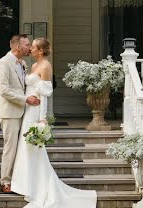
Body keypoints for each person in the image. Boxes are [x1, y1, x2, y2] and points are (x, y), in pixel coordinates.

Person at [10, 38, 97, 208]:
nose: (31, 49)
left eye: (33, 47)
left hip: (36, 111)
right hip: (27, 109)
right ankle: (26, 184)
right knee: (26, 147)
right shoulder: (33, 66)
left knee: (35, 148)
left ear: (41, 51)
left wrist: (43, 118)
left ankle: (39, 187)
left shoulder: (45, 66)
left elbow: (44, 95)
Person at [0, 34, 39, 194]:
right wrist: (26, 99)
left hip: (24, 112)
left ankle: (18, 180)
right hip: (10, 113)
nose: (30, 47)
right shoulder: (3, 63)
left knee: (22, 148)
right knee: (10, 147)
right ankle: (5, 181)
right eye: (27, 45)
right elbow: (4, 91)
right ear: (18, 47)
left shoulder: (23, 63)